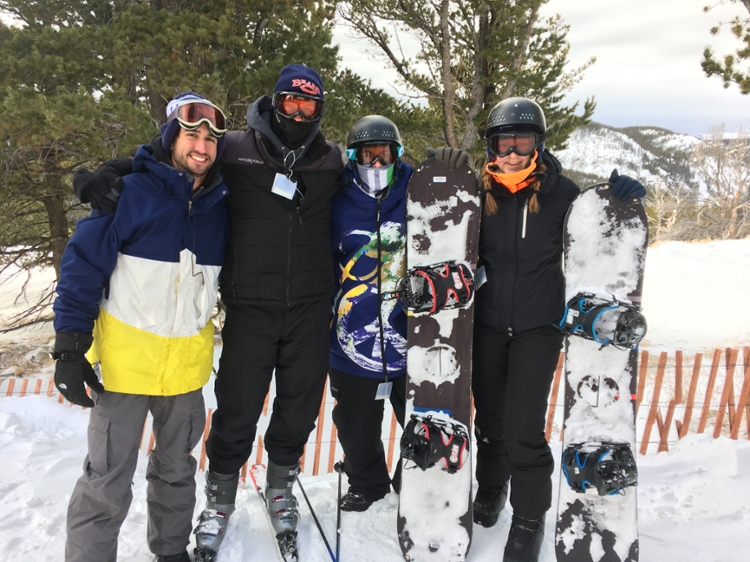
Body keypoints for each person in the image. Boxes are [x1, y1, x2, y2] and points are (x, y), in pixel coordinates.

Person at [74, 64, 343, 560]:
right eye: (291, 102)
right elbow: (171, 167)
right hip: (249, 309)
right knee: (237, 409)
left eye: (310, 105)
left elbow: (380, 187)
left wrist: (429, 169)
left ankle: (281, 485)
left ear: (320, 111)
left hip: (309, 308)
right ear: (274, 101)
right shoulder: (235, 150)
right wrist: (111, 172)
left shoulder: (332, 161)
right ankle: (219, 497)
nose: (300, 112)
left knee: (299, 408)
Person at [53, 92, 230, 562]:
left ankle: (170, 554)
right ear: (171, 137)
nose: (202, 146)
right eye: (191, 134)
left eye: (211, 140)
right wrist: (70, 348)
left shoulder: (220, 205)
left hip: (184, 377)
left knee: (176, 475)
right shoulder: (127, 194)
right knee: (106, 483)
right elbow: (82, 267)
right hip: (125, 371)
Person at [469, 97, 646, 562]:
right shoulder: (476, 194)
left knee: (522, 426)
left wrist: (617, 200)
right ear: (492, 145)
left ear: (537, 145)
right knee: (488, 421)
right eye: (502, 141)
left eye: (520, 141)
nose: (511, 152)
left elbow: (601, 239)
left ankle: (528, 518)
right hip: (485, 326)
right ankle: (492, 485)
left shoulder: (563, 194)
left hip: (537, 328)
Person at [328, 115, 411, 511]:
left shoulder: (419, 191)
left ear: (397, 155)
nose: (376, 165)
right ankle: (367, 482)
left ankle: (415, 477)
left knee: (425, 420)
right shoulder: (336, 200)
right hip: (352, 338)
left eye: (384, 155)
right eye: (368, 155)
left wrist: (451, 170)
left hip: (413, 337)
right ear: (353, 157)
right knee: (355, 424)